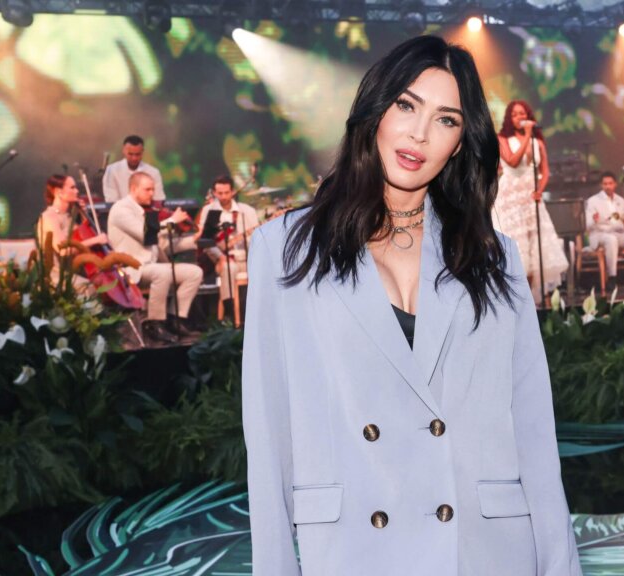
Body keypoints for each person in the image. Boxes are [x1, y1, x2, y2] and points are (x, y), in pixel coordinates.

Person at [242, 36, 581, 576]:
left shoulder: (495, 257)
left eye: (446, 120)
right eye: (406, 105)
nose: (419, 134)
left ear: (460, 142)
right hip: (356, 547)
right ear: (375, 108)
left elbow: (534, 434)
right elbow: (269, 440)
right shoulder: (284, 250)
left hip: (484, 550)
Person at [107, 173, 202, 345]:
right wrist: (172, 220)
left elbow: (161, 245)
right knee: (162, 272)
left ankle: (175, 318)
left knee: (194, 272)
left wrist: (193, 239)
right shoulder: (121, 209)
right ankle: (154, 322)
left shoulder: (145, 211)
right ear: (133, 189)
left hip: (151, 266)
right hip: (132, 268)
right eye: (147, 189)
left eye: (153, 189)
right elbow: (144, 234)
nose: (152, 194)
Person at [492, 99, 569, 304]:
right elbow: (512, 160)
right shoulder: (502, 139)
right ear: (509, 118)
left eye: (523, 113)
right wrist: (527, 135)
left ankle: (532, 301)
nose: (520, 117)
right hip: (511, 199)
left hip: (530, 199)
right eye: (516, 114)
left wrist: (540, 190)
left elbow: (545, 171)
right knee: (516, 248)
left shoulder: (538, 142)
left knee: (535, 251)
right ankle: (515, 299)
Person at [194, 175, 260, 306]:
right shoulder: (209, 211)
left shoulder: (246, 211)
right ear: (214, 193)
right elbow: (206, 241)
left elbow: (257, 240)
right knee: (229, 268)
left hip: (245, 256)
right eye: (220, 193)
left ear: (233, 192)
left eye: (227, 193)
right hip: (220, 259)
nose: (224, 196)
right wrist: (221, 256)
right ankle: (229, 309)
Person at [35, 174, 109, 287]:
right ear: (58, 192)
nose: (77, 191)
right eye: (72, 187)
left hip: (73, 272)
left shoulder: (68, 216)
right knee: (90, 288)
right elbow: (63, 250)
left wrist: (83, 213)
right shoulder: (49, 217)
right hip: (56, 275)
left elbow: (83, 235)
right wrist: (96, 240)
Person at [584, 171, 624, 283]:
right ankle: (612, 277)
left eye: (610, 183)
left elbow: (618, 221)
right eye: (605, 184)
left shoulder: (621, 200)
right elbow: (588, 225)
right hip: (599, 235)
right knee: (611, 240)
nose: (608, 186)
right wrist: (594, 220)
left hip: (617, 233)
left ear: (615, 184)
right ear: (601, 185)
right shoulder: (593, 201)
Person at [102, 135, 166, 202]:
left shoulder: (153, 172)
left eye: (137, 154)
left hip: (147, 211)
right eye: (130, 154)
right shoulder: (112, 170)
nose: (134, 158)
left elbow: (158, 200)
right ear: (123, 150)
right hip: (120, 211)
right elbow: (111, 200)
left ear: (142, 152)